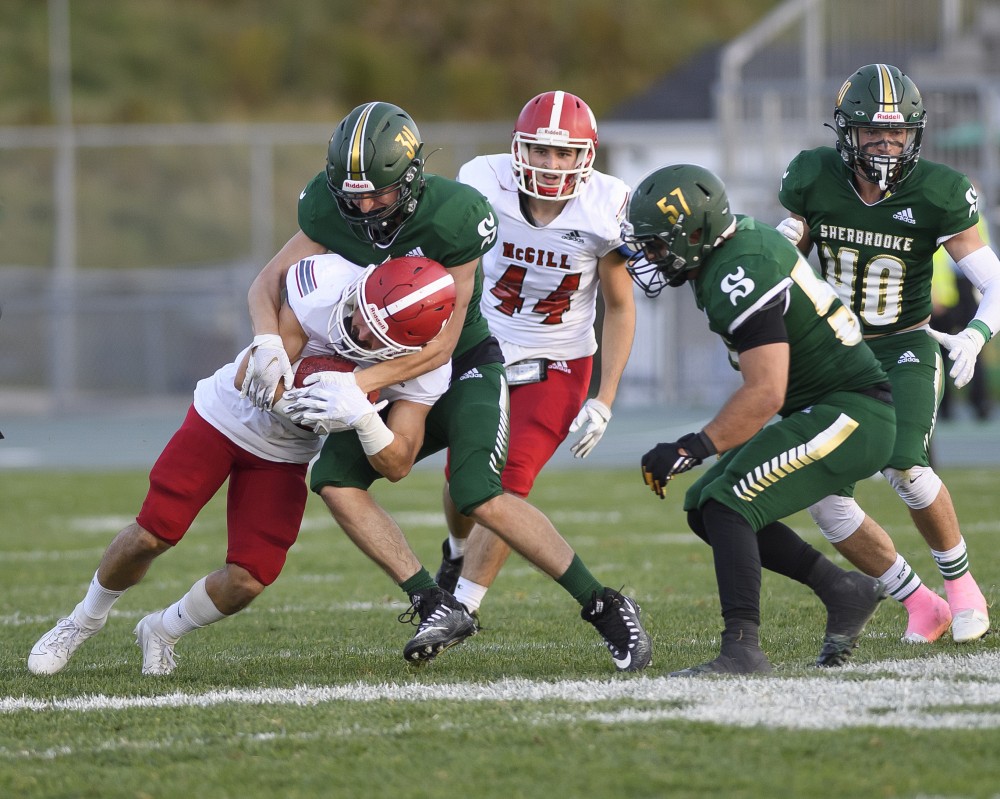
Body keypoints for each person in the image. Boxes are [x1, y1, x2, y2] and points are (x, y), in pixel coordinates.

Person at [242, 101, 652, 670]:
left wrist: (356, 386)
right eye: (351, 193)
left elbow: (442, 344)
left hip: (462, 363)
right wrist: (267, 343)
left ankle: (605, 605)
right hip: (395, 363)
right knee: (334, 478)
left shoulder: (457, 213)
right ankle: (434, 601)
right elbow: (269, 281)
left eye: (378, 193)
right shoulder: (330, 205)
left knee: (480, 492)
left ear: (409, 180)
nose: (363, 206)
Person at [28, 254, 458, 676]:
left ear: (411, 348)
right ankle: (83, 620)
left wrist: (364, 419)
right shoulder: (326, 286)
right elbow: (249, 377)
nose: (359, 329)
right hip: (223, 417)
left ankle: (161, 630)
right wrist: (311, 406)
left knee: (250, 578)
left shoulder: (423, 370)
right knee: (152, 534)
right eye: (361, 313)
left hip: (285, 453)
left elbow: (398, 462)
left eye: (375, 336)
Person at [623, 163, 893, 675]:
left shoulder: (736, 267)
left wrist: (691, 447)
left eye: (659, 245)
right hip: (826, 408)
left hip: (852, 412)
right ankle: (844, 590)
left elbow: (766, 391)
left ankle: (742, 648)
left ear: (696, 231)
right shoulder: (730, 249)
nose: (651, 258)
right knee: (703, 505)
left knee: (728, 503)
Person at [777, 63, 999, 643]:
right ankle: (919, 602)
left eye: (898, 133)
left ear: (915, 135)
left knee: (906, 463)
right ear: (846, 133)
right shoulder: (813, 175)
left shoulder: (938, 189)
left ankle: (962, 588)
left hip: (904, 345)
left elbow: (994, 281)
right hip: (831, 351)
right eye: (874, 132)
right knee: (823, 494)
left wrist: (976, 334)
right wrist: (783, 241)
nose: (886, 143)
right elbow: (789, 242)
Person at [432, 91, 636, 622]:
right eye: (541, 151)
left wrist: (605, 399)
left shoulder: (604, 206)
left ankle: (460, 609)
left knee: (505, 484)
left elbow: (619, 307)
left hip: (559, 358)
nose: (552, 164)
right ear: (517, 149)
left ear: (585, 156)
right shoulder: (483, 181)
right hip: (482, 345)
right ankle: (454, 554)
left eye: (565, 154)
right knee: (464, 483)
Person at [932, 215, 992, 421]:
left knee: (973, 348)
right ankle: (943, 406)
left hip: (967, 287)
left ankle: (980, 403)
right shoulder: (934, 212)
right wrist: (934, 292)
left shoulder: (975, 216)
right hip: (944, 294)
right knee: (939, 352)